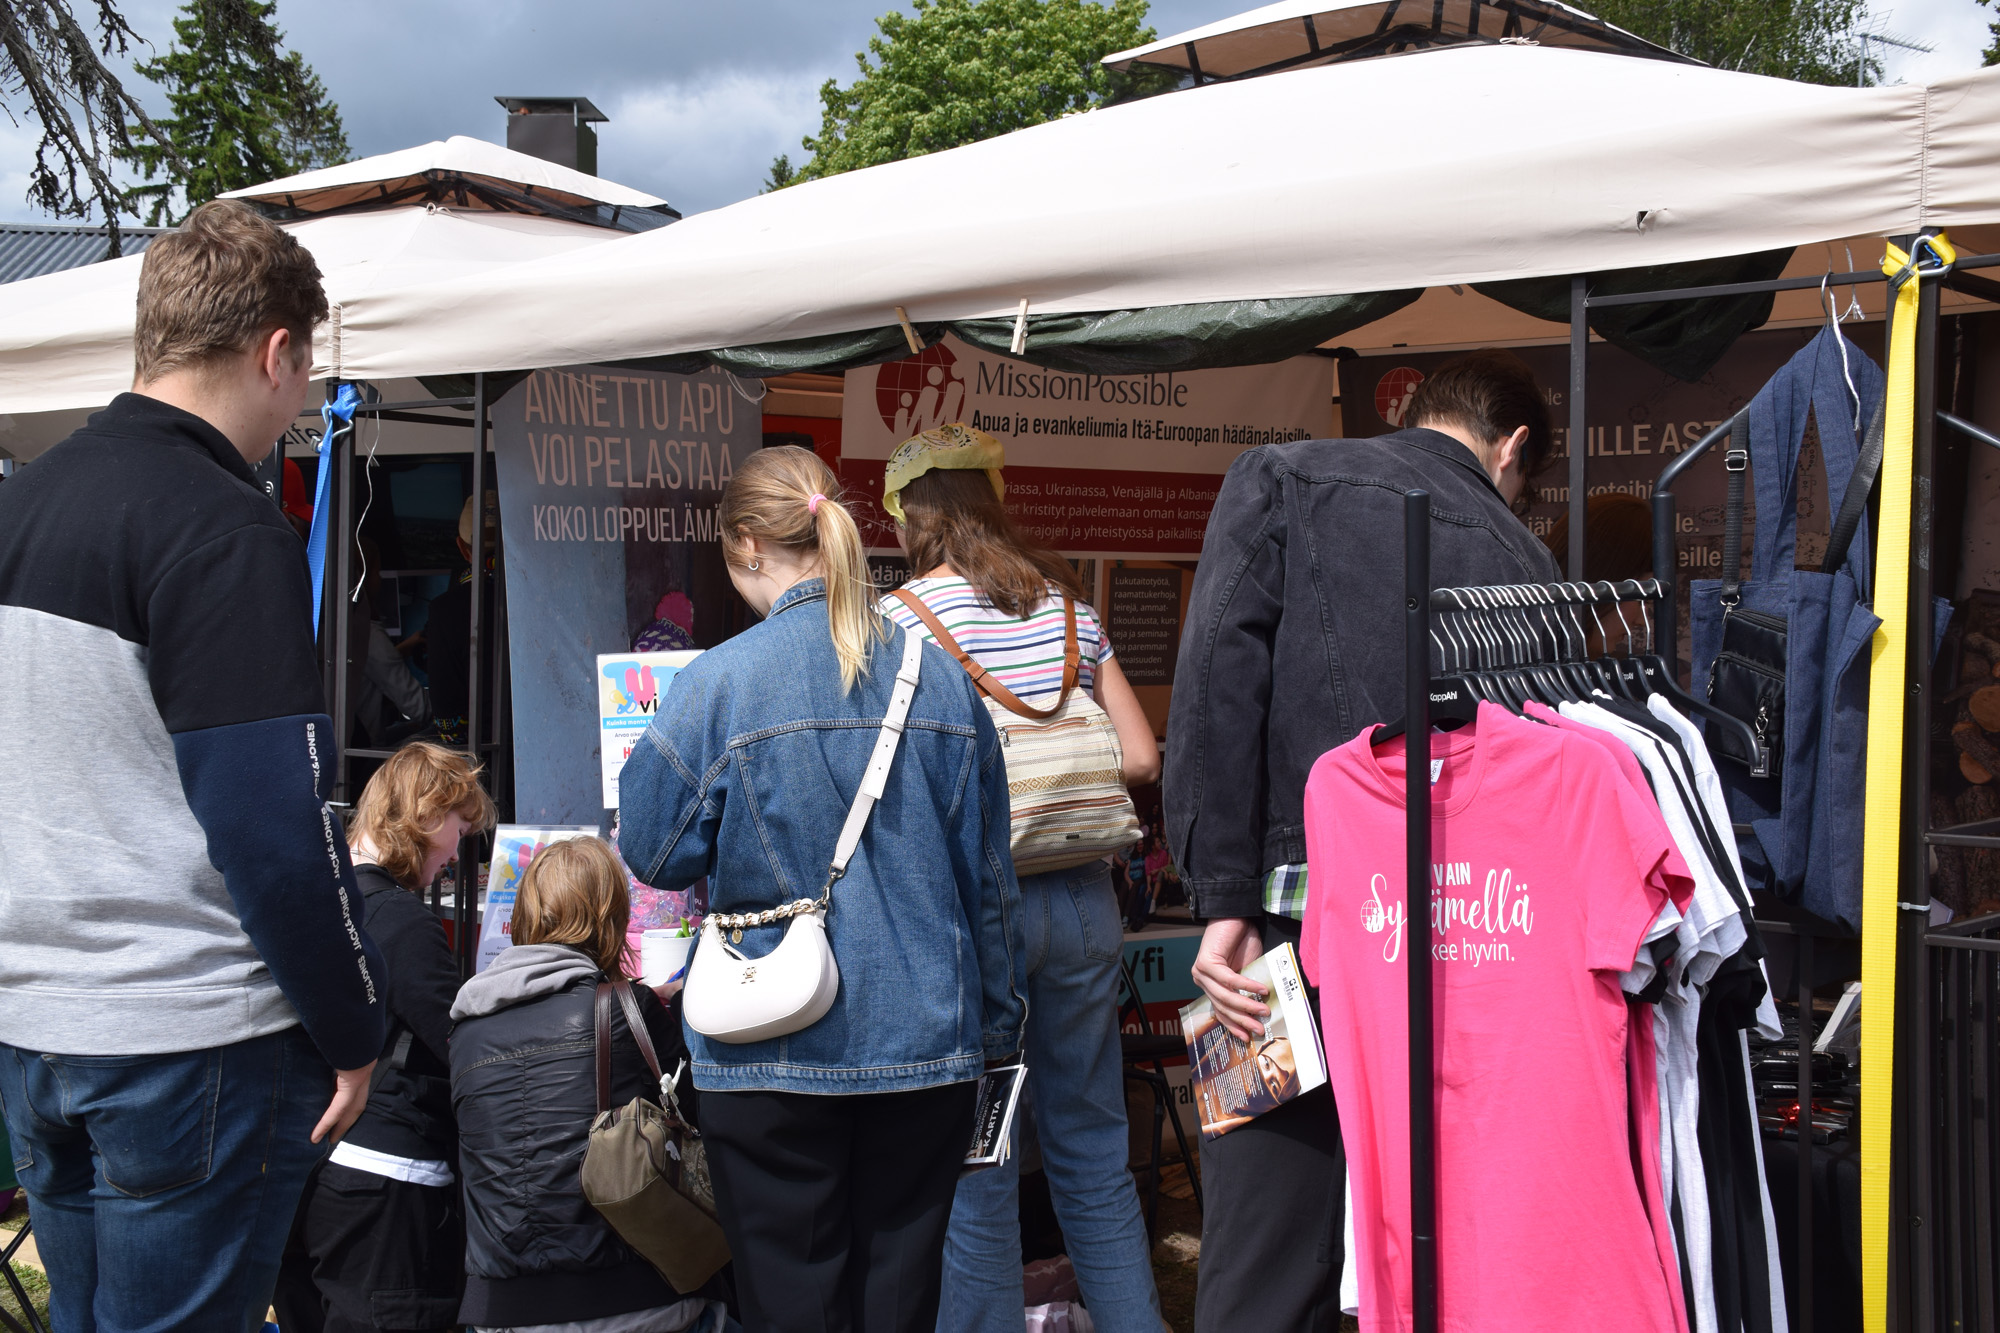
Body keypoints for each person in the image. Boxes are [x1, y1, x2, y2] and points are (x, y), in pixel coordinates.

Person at [0, 199, 387, 1330]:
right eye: (307, 376)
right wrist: (353, 1026)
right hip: (190, 1032)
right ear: (277, 352)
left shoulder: (24, 503)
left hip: (38, 1019)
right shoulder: (224, 526)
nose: (302, 404)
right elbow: (275, 827)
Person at [1165, 349, 1561, 1330]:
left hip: (1287, 932)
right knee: (1436, 1252)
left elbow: (1215, 680)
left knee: (1261, 1250)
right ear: (1511, 447)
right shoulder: (1530, 559)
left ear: (1416, 410)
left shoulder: (1282, 475)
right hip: (1467, 946)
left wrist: (1220, 897)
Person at [617, 446, 1025, 1333]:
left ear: (748, 545)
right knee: (899, 1310)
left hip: (766, 1053)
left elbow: (651, 850)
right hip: (925, 1048)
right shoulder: (942, 681)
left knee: (792, 1310)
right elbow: (991, 889)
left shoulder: (718, 683)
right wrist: (997, 1037)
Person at [873, 424, 1165, 1333]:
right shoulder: (1069, 609)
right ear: (994, 501)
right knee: (1094, 1152)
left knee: (980, 1160)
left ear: (909, 519)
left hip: (974, 914)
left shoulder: (901, 621)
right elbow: (1141, 757)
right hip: (1083, 901)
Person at [450, 836, 729, 1333]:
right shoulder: (628, 1012)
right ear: (610, 919)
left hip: (502, 1310)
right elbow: (698, 1122)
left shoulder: (465, 1032)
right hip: (636, 1299)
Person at [276, 741, 496, 1333]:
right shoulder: (397, 919)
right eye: (459, 829)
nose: (456, 852)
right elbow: (459, 1046)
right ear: (426, 814)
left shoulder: (313, 898)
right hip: (386, 1180)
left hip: (302, 1168)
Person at [425, 491, 498, 745]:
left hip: (482, 755)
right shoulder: (548, 598)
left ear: (462, 548)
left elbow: (448, 722)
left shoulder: (445, 611)